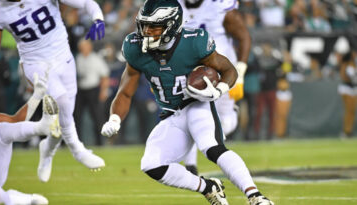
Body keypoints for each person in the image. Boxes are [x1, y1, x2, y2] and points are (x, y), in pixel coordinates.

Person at [101, 1, 274, 205]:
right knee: (151, 164)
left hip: (197, 105)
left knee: (212, 148)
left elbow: (229, 70)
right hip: (171, 114)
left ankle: (255, 196)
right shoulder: (135, 48)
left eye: (154, 26)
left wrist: (218, 90)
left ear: (172, 25)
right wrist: (114, 119)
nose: (147, 32)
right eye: (144, 25)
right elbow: (125, 92)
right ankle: (208, 187)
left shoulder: (193, 42)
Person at [0, 0, 106, 183]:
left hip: (63, 57)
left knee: (63, 118)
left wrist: (98, 18)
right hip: (34, 63)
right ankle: (77, 150)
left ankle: (47, 151)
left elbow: (85, 2)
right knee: (61, 101)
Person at [178, 0, 252, 175]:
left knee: (226, 120)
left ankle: (203, 143)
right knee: (188, 115)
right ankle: (190, 164)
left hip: (223, 71)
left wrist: (239, 73)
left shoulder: (219, 6)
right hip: (192, 71)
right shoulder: (173, 6)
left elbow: (244, 37)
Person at [0, 72, 59, 205]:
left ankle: (41, 127)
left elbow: (16, 121)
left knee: (1, 129)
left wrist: (37, 95)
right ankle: (15, 199)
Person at [74, 39, 109, 146]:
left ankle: (100, 142)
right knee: (77, 117)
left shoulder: (96, 59)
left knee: (97, 117)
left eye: (85, 46)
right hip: (80, 91)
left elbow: (104, 76)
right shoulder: (77, 58)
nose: (83, 48)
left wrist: (103, 91)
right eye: (82, 46)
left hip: (93, 90)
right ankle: (76, 142)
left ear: (90, 47)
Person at [338, 49, 357, 138]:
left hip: (354, 88)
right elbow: (343, 76)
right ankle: (346, 131)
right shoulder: (345, 64)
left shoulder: (354, 64)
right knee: (348, 110)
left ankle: (349, 131)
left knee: (352, 111)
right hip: (347, 88)